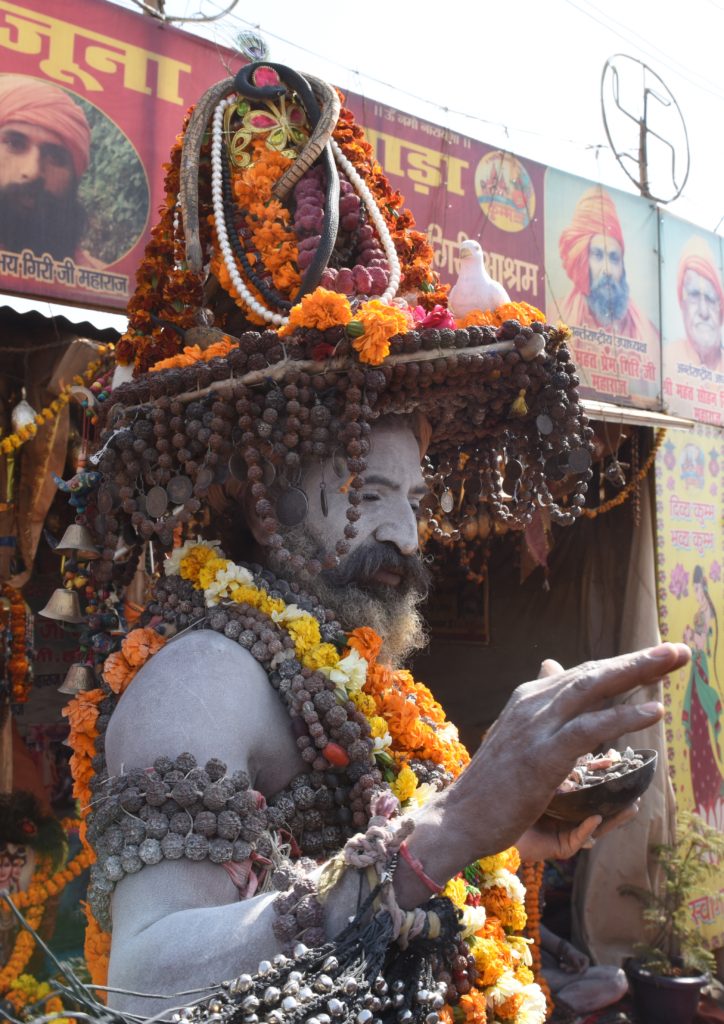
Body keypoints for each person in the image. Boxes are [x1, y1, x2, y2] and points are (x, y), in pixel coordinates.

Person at [64, 62, 690, 1023]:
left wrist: (513, 836)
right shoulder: (203, 675)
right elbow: (144, 980)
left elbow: (351, 865)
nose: (402, 527)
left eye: (414, 493)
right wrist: (452, 823)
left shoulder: (345, 668)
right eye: (365, 489)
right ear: (262, 487)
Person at [0, 74, 102, 267]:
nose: (33, 171)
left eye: (55, 158)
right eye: (15, 144)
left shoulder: (99, 281)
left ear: (74, 176)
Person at [558, 186, 658, 346]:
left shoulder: (649, 335)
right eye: (597, 255)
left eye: (614, 258)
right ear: (583, 260)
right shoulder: (554, 317)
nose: (607, 270)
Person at [682, 565, 722, 825]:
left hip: (703, 673)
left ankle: (712, 797)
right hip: (697, 674)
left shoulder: (708, 612)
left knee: (702, 732)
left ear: (703, 587)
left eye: (696, 589)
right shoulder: (703, 611)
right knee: (697, 734)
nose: (695, 593)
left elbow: (702, 643)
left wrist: (690, 638)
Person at [669, 242, 723, 372]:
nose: (704, 312)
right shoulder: (666, 361)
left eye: (710, 298)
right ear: (682, 303)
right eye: (694, 295)